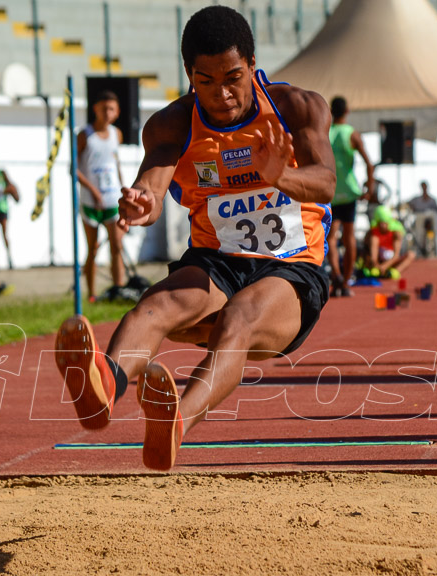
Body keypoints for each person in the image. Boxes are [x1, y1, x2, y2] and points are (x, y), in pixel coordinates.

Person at [53, 5, 334, 471]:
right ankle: (104, 385)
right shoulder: (173, 124)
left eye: (233, 78)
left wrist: (280, 174)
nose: (221, 95)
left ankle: (175, 422)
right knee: (156, 305)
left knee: (240, 318)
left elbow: (326, 183)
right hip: (216, 261)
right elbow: (152, 184)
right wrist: (141, 203)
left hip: (291, 265)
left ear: (252, 63)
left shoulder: (297, 107)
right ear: (188, 75)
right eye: (205, 81)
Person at [77, 91, 127, 301]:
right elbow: (74, 168)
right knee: (93, 248)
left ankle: (119, 289)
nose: (107, 113)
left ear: (117, 112)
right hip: (90, 201)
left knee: (117, 245)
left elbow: (116, 163)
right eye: (103, 108)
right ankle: (91, 293)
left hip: (112, 199)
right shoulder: (84, 134)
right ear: (95, 109)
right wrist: (92, 189)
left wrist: (124, 187)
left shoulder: (117, 134)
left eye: (111, 109)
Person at [327, 95, 375, 297]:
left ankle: (336, 275)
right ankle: (346, 282)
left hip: (330, 191)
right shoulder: (352, 134)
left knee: (330, 237)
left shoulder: (325, 133)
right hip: (348, 192)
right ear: (346, 111)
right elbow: (369, 163)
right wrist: (369, 188)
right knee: (349, 238)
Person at [360, 204, 415, 278]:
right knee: (370, 246)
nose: (382, 225)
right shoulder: (373, 233)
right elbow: (371, 253)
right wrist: (376, 265)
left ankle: (394, 272)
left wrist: (384, 266)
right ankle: (374, 270)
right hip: (378, 262)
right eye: (380, 222)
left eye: (384, 222)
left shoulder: (396, 233)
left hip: (391, 262)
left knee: (411, 255)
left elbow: (396, 255)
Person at [0, 168, 20, 270]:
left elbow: (17, 198)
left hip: (2, 209)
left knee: (4, 235)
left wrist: (8, 190)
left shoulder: (2, 178)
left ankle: (9, 259)